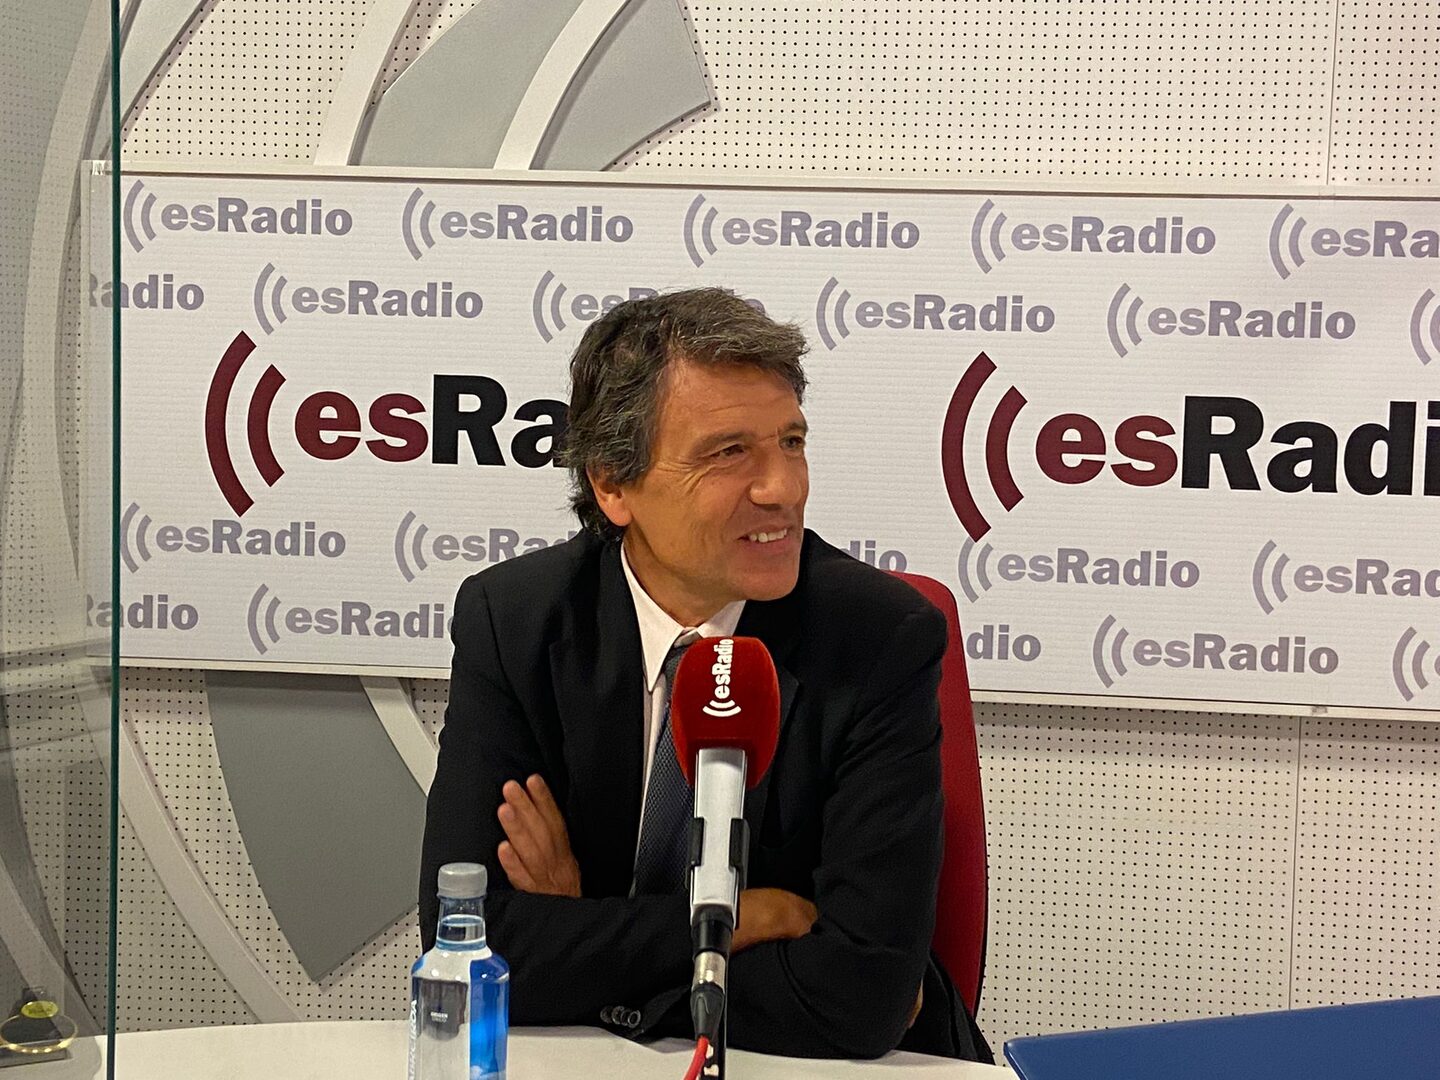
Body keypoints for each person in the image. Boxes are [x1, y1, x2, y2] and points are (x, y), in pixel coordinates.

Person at [420, 287, 990, 1061]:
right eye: (730, 453)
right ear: (612, 484)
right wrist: (739, 918)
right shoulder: (517, 621)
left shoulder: (878, 638)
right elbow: (470, 944)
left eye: (791, 441)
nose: (782, 487)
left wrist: (589, 933)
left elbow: (861, 996)